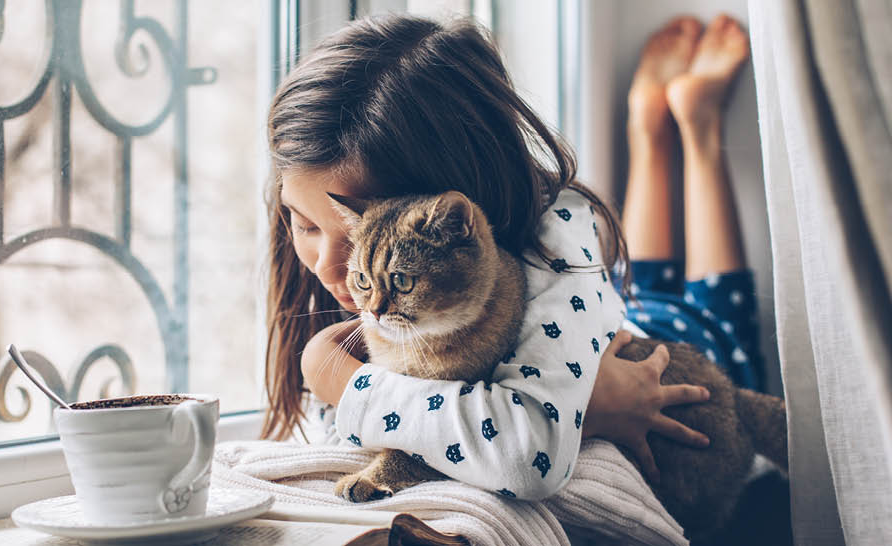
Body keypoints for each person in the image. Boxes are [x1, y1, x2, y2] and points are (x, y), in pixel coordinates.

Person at [259, 13, 717, 500]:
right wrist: (584, 410)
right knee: (648, 277)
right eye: (305, 225)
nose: (330, 266)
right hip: (614, 299)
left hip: (671, 348)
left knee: (705, 307)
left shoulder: (559, 236)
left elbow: (527, 458)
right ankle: (654, 131)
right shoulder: (368, 276)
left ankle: (686, 131)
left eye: (358, 235)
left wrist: (344, 382)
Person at [620, 13, 764, 392]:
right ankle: (649, 130)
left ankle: (699, 128)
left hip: (690, 365)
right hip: (623, 327)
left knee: (727, 339)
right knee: (639, 302)